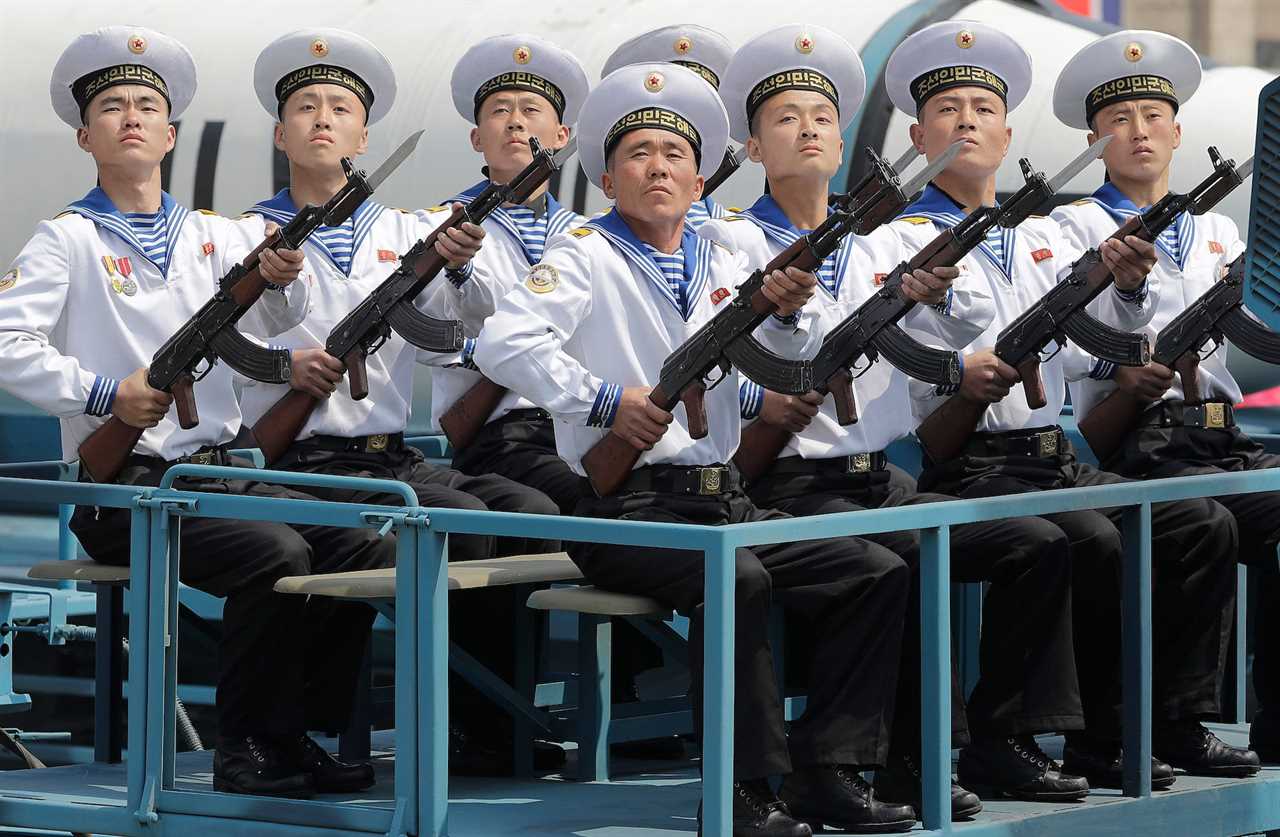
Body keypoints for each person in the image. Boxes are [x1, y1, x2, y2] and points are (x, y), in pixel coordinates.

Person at [477, 60, 919, 836]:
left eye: (675, 156)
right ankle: (743, 791)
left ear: (699, 175)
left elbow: (803, 348)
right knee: (738, 577)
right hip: (629, 509)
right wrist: (609, 402)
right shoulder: (583, 253)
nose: (659, 168)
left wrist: (783, 315)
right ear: (609, 180)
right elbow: (503, 344)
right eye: (639, 154)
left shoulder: (727, 254)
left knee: (872, 570)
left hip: (724, 498)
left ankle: (829, 767)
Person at [0, 26, 393, 798]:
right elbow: (8, 341)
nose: (133, 117)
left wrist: (281, 279)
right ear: (87, 136)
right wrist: (104, 393)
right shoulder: (67, 241)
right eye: (113, 106)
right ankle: (246, 750)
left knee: (363, 543)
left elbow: (281, 322)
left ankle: (298, 733)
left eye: (149, 104)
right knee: (273, 552)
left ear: (172, 132)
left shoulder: (219, 236)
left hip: (219, 476)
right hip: (129, 488)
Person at [239, 28, 561, 773]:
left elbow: (469, 325)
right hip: (298, 458)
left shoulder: (409, 229)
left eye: (341, 107)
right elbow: (239, 342)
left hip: (391, 456)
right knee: (418, 533)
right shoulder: (247, 236)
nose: (324, 118)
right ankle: (334, 724)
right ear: (280, 132)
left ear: (362, 131)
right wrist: (292, 359)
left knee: (525, 517)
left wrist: (456, 268)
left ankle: (483, 720)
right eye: (307, 107)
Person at [1052, 29, 1263, 775]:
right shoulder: (1074, 228)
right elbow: (1075, 351)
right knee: (1197, 528)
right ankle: (1173, 719)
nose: (1139, 133)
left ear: (1178, 131)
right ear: (1094, 138)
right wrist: (1132, 298)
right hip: (1137, 439)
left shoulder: (1212, 228)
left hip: (1215, 434)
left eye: (1152, 116)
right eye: (1120, 120)